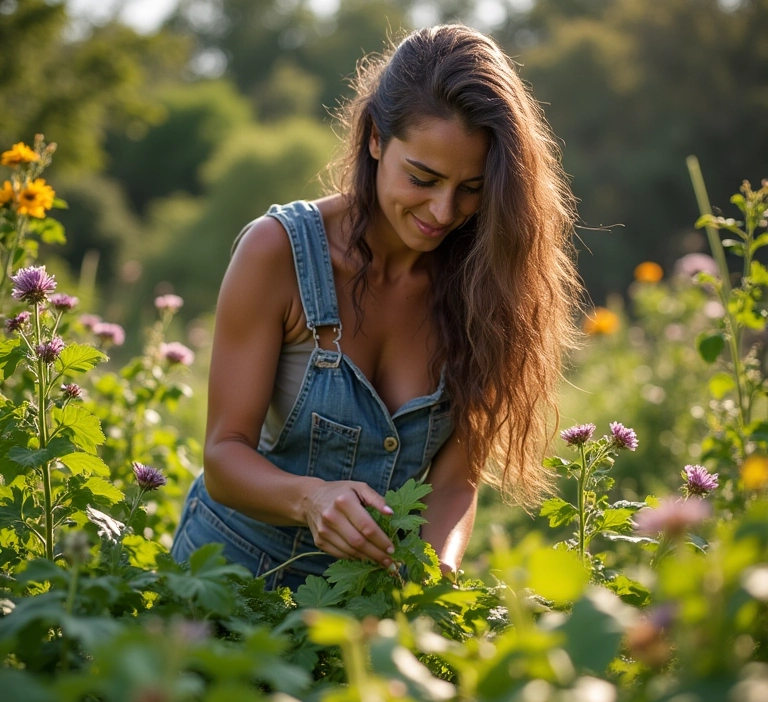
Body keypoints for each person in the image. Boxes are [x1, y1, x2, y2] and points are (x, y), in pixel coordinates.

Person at [170, 24, 581, 590]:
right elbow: (223, 459)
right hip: (231, 578)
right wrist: (311, 499)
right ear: (374, 138)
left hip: (369, 604)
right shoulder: (278, 252)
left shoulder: (487, 287)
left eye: (472, 187)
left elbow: (457, 481)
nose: (443, 211)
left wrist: (432, 582)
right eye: (423, 178)